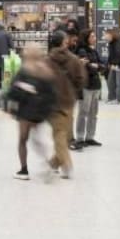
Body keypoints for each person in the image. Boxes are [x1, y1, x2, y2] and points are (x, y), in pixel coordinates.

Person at [7, 47, 58, 181]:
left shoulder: (24, 71)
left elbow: (13, 90)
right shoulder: (46, 72)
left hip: (25, 110)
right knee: (38, 139)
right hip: (40, 112)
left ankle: (24, 170)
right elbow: (52, 94)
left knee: (23, 140)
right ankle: (48, 163)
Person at [47, 31, 85, 179]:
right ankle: (66, 164)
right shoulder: (74, 60)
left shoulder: (47, 61)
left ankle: (55, 162)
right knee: (62, 134)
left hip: (52, 102)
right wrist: (73, 91)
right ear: (64, 43)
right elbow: (81, 79)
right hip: (69, 101)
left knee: (61, 134)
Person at [72, 30, 103, 149]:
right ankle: (80, 138)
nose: (95, 38)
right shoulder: (81, 51)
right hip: (86, 86)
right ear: (86, 38)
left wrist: (96, 66)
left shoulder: (94, 51)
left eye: (95, 36)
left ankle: (90, 137)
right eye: (92, 36)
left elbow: (102, 65)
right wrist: (95, 66)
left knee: (93, 114)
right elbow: (89, 68)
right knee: (83, 113)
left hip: (96, 85)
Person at [106, 28, 120, 103]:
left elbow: (119, 56)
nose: (105, 37)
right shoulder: (111, 43)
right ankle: (111, 98)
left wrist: (115, 65)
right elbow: (111, 55)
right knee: (110, 81)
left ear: (112, 35)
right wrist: (110, 64)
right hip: (114, 65)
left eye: (107, 35)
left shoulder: (118, 43)